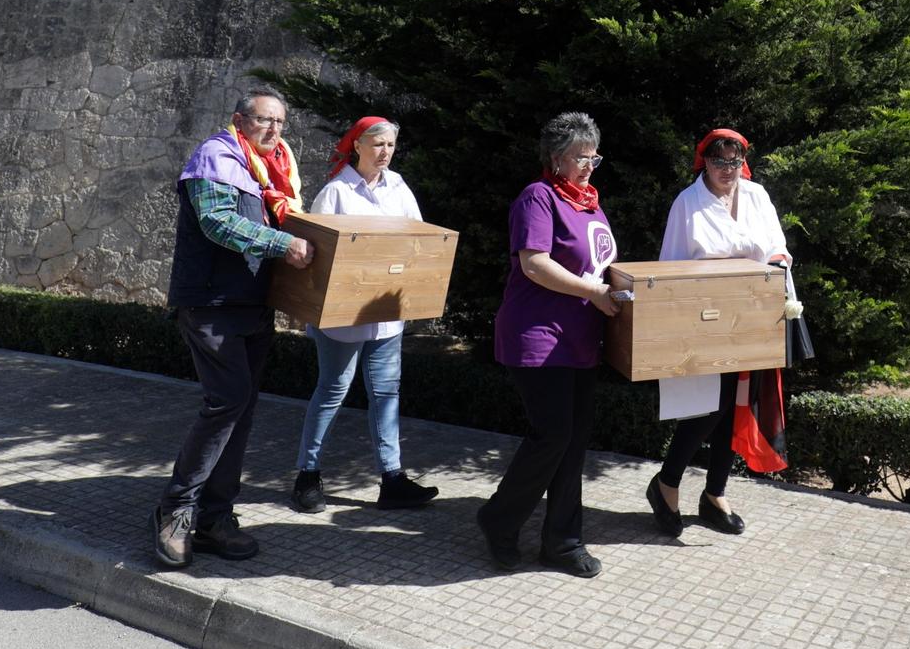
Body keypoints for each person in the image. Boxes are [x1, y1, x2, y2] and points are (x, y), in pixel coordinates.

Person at [152, 89, 314, 570]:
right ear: (239, 120)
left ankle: (215, 517)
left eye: (281, 123)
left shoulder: (272, 170)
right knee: (226, 401)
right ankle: (175, 510)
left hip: (251, 307)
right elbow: (217, 223)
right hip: (209, 305)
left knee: (240, 409)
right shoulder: (214, 156)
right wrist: (283, 242)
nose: (274, 130)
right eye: (265, 120)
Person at [476, 112, 620, 578]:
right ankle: (499, 519)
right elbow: (535, 264)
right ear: (556, 158)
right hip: (538, 338)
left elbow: (599, 267)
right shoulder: (537, 198)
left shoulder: (590, 205)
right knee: (552, 435)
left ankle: (561, 542)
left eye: (594, 157)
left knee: (573, 443)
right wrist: (595, 293)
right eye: (581, 157)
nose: (589, 166)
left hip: (580, 340)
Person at [644, 128, 802, 538]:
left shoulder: (757, 196)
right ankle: (667, 484)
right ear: (705, 161)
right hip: (704, 320)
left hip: (751, 320)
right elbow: (671, 265)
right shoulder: (687, 203)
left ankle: (715, 494)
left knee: (735, 405)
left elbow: (777, 247)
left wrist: (779, 267)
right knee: (707, 408)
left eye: (734, 161)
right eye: (719, 161)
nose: (727, 169)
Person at [289, 116, 439, 513]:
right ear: (357, 145)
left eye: (390, 145)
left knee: (387, 395)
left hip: (387, 316)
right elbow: (316, 255)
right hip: (341, 319)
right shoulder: (336, 191)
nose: (385, 152)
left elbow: (419, 240)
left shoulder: (399, 187)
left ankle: (392, 479)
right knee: (332, 392)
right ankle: (307, 474)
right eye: (377, 144)